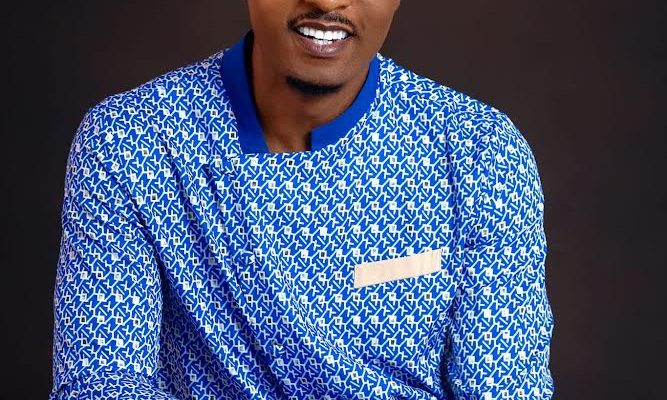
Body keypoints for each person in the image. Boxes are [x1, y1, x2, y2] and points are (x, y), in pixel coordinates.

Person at [49, 1, 555, 399]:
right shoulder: (131, 140)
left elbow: (506, 388)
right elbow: (103, 382)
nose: (328, 1)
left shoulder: (477, 152)